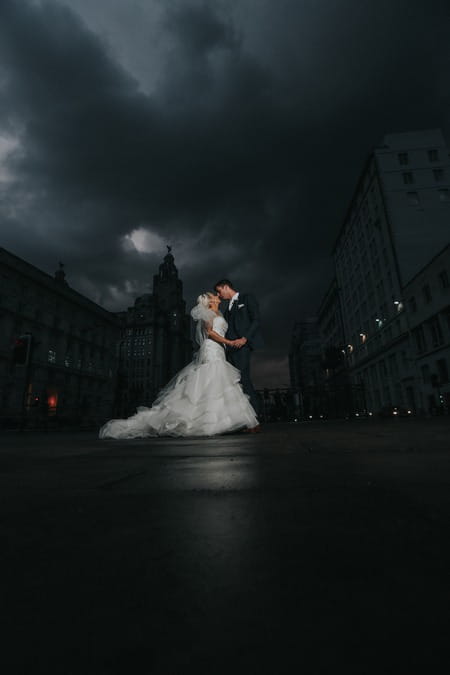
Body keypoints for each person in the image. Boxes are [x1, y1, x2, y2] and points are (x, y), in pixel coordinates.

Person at [99, 292, 259, 439]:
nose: (217, 295)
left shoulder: (219, 313)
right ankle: (208, 423)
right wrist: (228, 342)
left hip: (220, 350)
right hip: (212, 349)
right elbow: (209, 332)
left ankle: (223, 422)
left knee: (219, 383)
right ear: (210, 301)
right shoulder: (207, 314)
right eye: (214, 295)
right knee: (213, 379)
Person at [214, 279, 263, 428]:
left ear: (226, 287)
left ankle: (255, 419)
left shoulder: (247, 298)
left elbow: (256, 320)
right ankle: (242, 420)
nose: (218, 294)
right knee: (235, 383)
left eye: (219, 291)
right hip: (231, 350)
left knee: (244, 378)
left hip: (243, 346)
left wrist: (245, 338)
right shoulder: (227, 308)